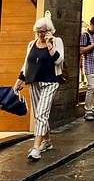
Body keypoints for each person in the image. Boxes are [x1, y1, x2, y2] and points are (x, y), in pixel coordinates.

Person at [13, 18, 64, 160]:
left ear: (50, 31)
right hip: (33, 81)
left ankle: (36, 148)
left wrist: (49, 45)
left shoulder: (57, 42)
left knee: (42, 113)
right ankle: (47, 142)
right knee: (38, 114)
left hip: (50, 82)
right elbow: (26, 64)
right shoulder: (31, 44)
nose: (40, 34)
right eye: (38, 32)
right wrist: (19, 80)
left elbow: (59, 60)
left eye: (43, 32)